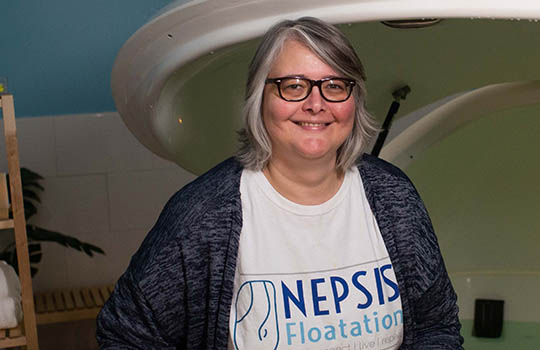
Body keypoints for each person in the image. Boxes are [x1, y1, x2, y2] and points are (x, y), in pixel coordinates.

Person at [97, 17, 462, 349]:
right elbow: (125, 336)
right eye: (294, 86)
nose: (316, 103)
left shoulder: (394, 196)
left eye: (334, 86)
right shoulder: (204, 214)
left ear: (354, 100)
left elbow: (436, 326)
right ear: (260, 99)